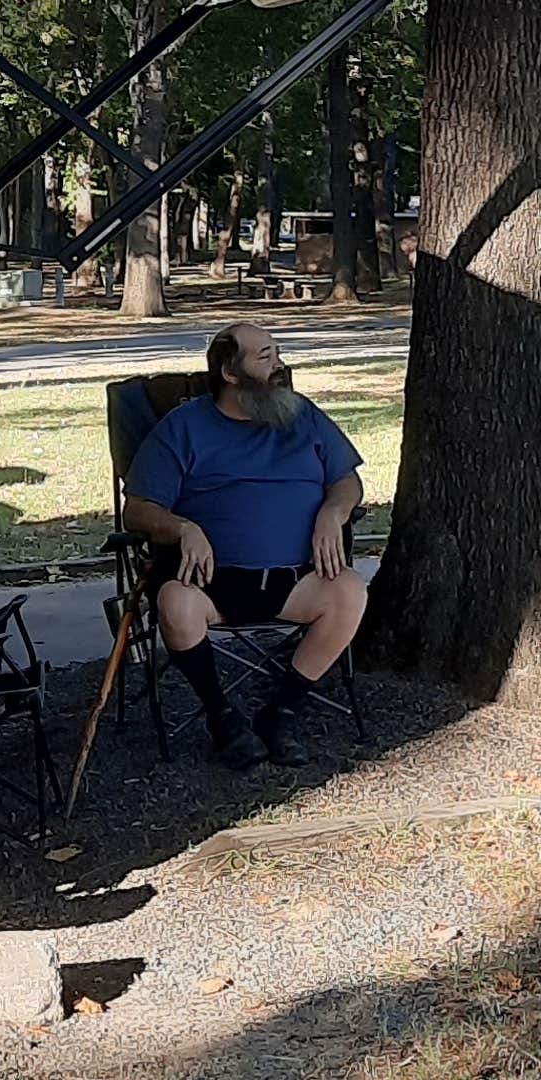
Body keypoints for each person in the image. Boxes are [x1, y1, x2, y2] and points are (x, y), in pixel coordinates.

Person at [122, 321, 368, 768]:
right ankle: (223, 718)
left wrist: (335, 511)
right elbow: (137, 510)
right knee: (175, 604)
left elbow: (347, 481)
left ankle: (283, 711)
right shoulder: (184, 427)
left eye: (278, 353)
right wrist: (183, 528)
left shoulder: (303, 416)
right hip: (209, 584)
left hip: (296, 581)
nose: (281, 366)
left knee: (350, 591)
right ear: (230, 373)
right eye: (266, 357)